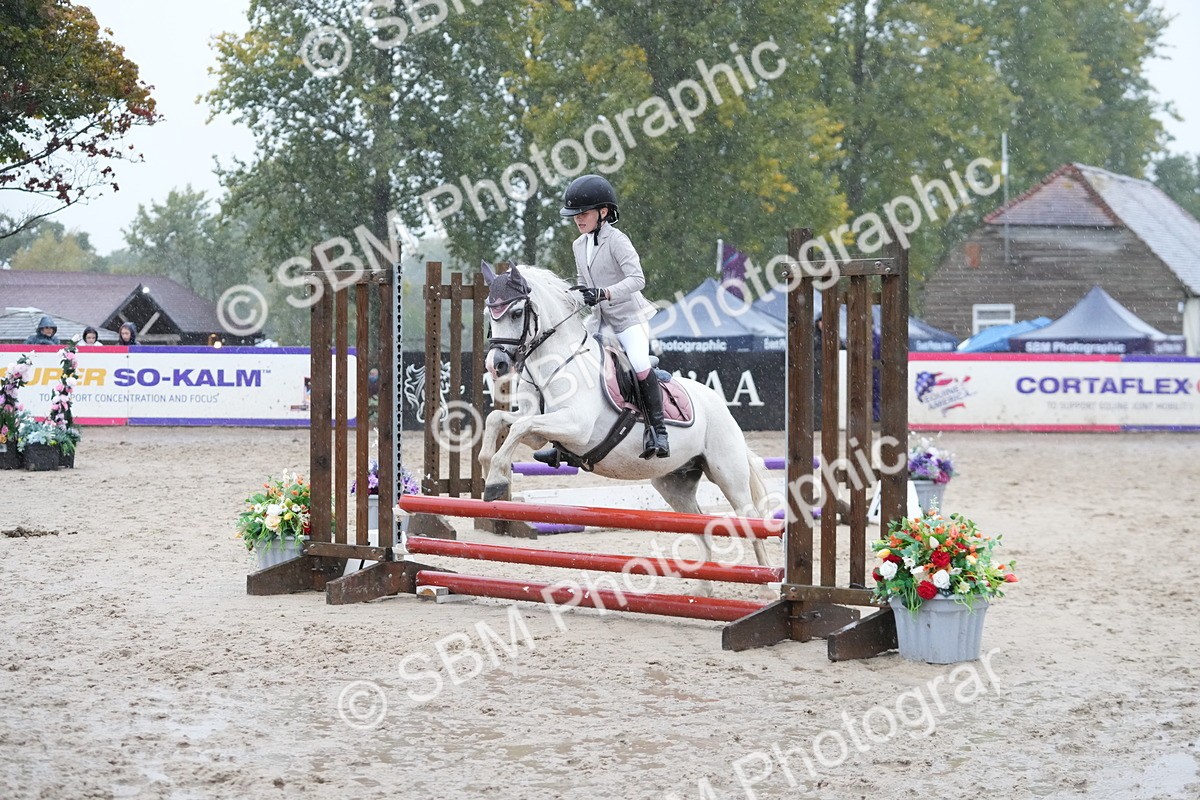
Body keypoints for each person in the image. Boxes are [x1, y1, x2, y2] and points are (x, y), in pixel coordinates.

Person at [560, 174, 667, 459]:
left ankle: (658, 431)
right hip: (598, 320)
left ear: (603, 212)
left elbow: (637, 279)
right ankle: (561, 440)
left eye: (583, 214)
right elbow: (584, 282)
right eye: (575, 216)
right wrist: (574, 296)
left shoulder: (618, 240)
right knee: (570, 358)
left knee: (640, 364)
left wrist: (604, 293)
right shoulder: (578, 245)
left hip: (628, 317)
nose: (578, 220)